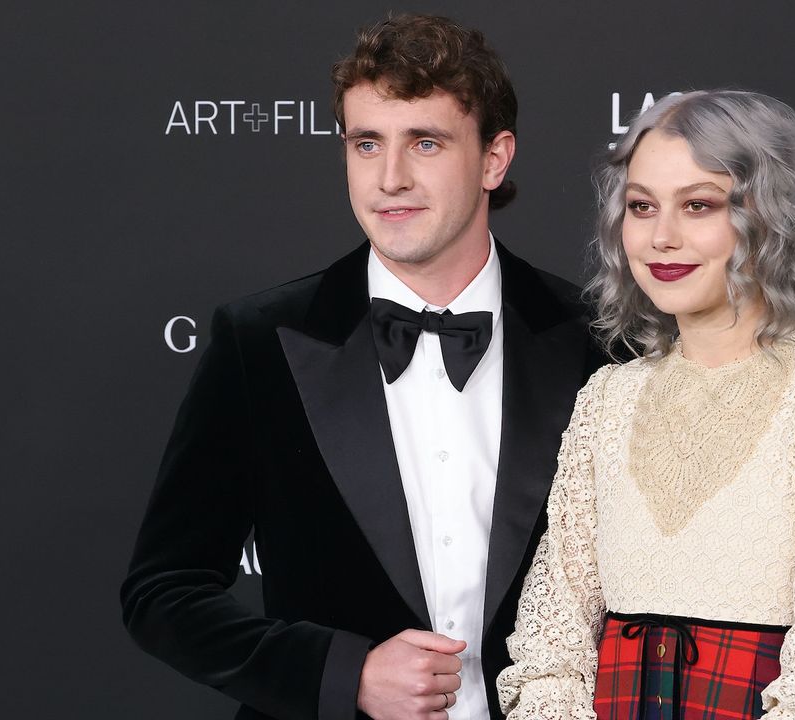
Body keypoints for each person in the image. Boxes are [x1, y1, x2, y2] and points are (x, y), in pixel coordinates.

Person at [121, 14, 604, 720]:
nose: (390, 179)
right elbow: (162, 593)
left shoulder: (598, 342)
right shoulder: (260, 342)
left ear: (495, 160)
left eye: (426, 143)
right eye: (366, 143)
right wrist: (343, 675)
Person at [496, 90, 795, 719]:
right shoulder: (608, 397)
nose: (662, 237)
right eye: (641, 206)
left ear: (770, 218)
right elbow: (554, 639)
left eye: (698, 205)